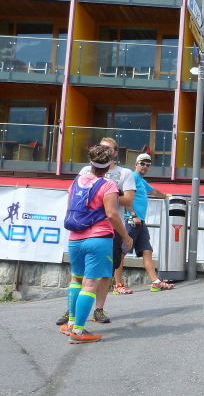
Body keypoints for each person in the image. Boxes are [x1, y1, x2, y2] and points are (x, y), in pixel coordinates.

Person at [55, 137, 136, 326]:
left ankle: (76, 318)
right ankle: (78, 328)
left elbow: (71, 205)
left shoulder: (79, 179)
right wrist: (125, 235)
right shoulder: (108, 184)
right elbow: (111, 213)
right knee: (91, 282)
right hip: (100, 235)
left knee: (80, 277)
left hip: (76, 235)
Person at [113, 153, 174, 292]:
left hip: (140, 222)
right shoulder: (132, 177)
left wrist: (165, 196)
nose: (145, 166)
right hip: (130, 220)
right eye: (142, 163)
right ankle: (118, 285)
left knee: (147, 251)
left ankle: (155, 282)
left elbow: (153, 191)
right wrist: (133, 214)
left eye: (148, 164)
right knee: (121, 252)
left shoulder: (141, 181)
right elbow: (123, 196)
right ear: (136, 164)